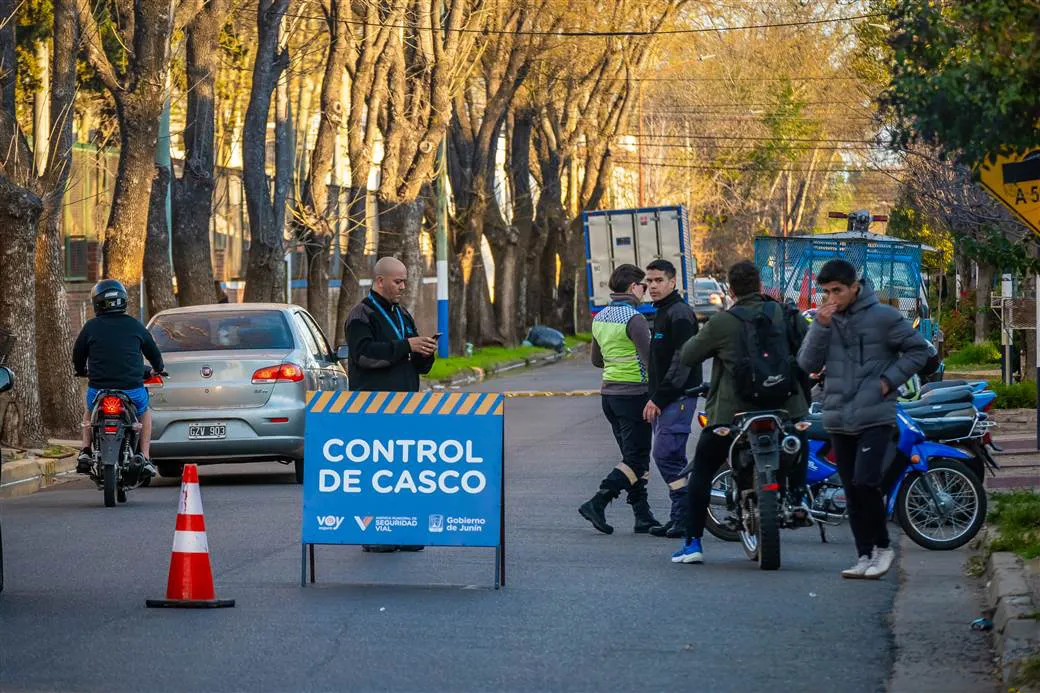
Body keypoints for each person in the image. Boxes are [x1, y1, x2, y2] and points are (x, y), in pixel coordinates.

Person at [671, 261, 810, 564]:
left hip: (733, 414)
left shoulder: (722, 322)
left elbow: (690, 354)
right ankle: (799, 498)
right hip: (786, 407)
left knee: (704, 469)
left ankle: (693, 543)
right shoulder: (787, 314)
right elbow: (811, 349)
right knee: (799, 443)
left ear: (731, 290)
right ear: (761, 286)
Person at [798, 259, 929, 580]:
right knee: (851, 491)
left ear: (854, 287)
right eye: (826, 292)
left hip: (875, 414)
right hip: (838, 416)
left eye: (837, 291)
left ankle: (883, 548)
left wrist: (887, 382)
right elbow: (806, 363)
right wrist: (821, 326)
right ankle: (863, 555)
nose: (832, 298)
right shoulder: (824, 321)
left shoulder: (883, 317)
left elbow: (919, 351)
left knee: (866, 483)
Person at [345, 256, 437, 552]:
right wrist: (406, 346)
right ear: (380, 281)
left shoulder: (403, 314)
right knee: (376, 474)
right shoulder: (361, 315)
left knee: (403, 473)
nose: (403, 286)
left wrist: (424, 351)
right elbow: (364, 356)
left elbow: (416, 364)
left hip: (406, 408)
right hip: (373, 409)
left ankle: (405, 529)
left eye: (405, 281)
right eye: (398, 281)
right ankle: (374, 534)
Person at [578, 264, 662, 535]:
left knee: (632, 456)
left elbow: (596, 360)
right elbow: (651, 362)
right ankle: (598, 501)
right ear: (632, 288)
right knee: (637, 459)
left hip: (609, 397)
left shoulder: (600, 317)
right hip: (634, 395)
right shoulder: (634, 319)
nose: (646, 291)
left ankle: (642, 515)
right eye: (644, 286)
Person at [73, 279, 165, 478]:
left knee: (89, 411)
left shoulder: (91, 326)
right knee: (145, 412)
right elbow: (153, 351)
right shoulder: (135, 325)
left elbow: (78, 353)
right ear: (123, 300)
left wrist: (80, 369)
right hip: (132, 389)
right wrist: (158, 367)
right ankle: (145, 456)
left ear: (97, 303)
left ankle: (85, 450)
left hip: (98, 390)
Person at [642, 259, 702, 538]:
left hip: (678, 397)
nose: (652, 286)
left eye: (658, 281)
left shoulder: (680, 314)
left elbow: (682, 362)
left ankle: (686, 513)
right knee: (673, 456)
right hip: (664, 398)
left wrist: (659, 398)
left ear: (673, 282)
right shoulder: (663, 312)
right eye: (649, 281)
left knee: (664, 454)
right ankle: (680, 517)